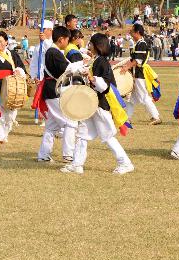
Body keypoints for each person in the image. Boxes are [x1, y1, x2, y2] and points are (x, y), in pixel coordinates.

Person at [61, 32, 134, 175]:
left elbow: (105, 86)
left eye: (91, 44)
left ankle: (125, 162)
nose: (89, 46)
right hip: (92, 104)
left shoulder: (102, 62)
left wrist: (91, 78)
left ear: (97, 46)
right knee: (82, 134)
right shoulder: (97, 60)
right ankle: (77, 164)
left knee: (107, 136)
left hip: (100, 105)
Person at [32, 25, 87, 162]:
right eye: (67, 40)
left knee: (51, 125)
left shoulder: (53, 52)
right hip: (54, 90)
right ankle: (68, 154)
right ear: (61, 39)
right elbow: (67, 69)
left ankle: (43, 155)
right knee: (70, 121)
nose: (68, 43)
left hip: (51, 90)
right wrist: (82, 66)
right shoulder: (54, 52)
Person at [0, 31, 27, 144]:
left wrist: (19, 71)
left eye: (0, 41)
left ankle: (5, 132)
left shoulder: (12, 54)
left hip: (11, 87)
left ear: (6, 42)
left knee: (11, 114)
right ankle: (0, 135)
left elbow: (20, 66)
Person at [121, 23, 162, 125]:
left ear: (137, 32)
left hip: (140, 74)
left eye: (132, 31)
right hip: (136, 74)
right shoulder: (139, 43)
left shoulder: (141, 44)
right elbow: (133, 59)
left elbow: (138, 60)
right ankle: (127, 118)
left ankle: (156, 117)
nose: (130, 33)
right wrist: (125, 65)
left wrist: (127, 67)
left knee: (144, 97)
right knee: (132, 99)